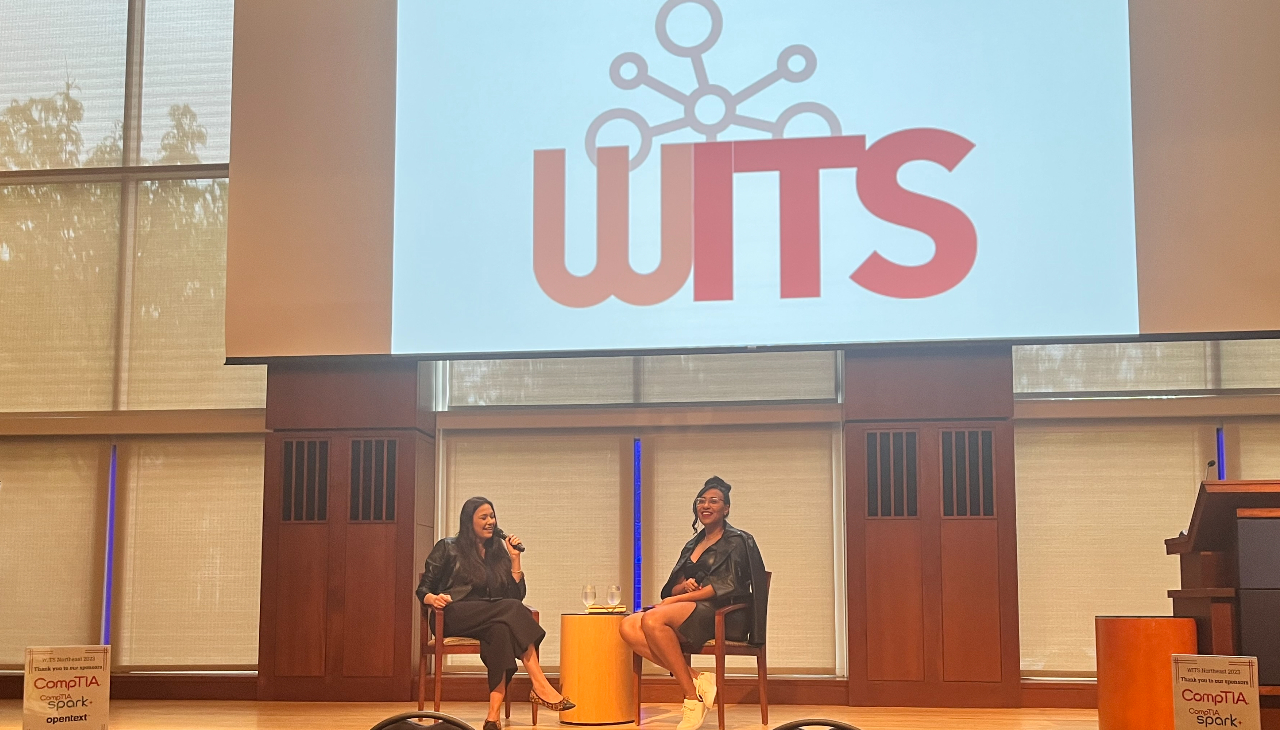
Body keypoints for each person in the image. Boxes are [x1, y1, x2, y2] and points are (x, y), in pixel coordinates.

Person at [618, 476, 768, 730]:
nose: (706, 505)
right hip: (695, 609)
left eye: (714, 501)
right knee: (628, 626)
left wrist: (678, 598)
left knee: (653, 618)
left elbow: (727, 585)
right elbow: (672, 586)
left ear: (726, 508)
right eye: (701, 501)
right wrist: (682, 587)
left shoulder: (738, 540)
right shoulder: (694, 543)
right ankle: (697, 680)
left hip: (725, 614)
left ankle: (690, 697)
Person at [416, 496, 574, 730]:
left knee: (501, 630)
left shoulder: (498, 551)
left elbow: (514, 597)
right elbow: (424, 588)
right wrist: (432, 598)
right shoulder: (448, 547)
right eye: (484, 517)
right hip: (454, 615)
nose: (490, 521)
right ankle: (539, 683)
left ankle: (492, 718)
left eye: (492, 516)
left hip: (491, 617)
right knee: (509, 611)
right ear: (469, 521)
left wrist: (515, 559)